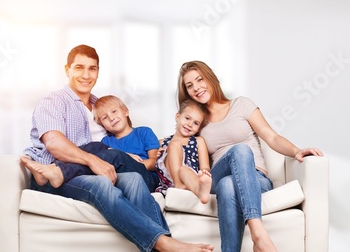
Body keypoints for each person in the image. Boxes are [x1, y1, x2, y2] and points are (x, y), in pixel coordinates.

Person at [22, 45, 214, 252]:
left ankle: (163, 243)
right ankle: (163, 242)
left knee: (133, 179)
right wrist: (94, 160)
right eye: (79, 68)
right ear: (67, 69)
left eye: (92, 69)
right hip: (62, 175)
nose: (86, 75)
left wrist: (163, 145)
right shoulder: (54, 101)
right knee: (103, 181)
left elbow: (127, 137)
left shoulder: (100, 105)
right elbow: (54, 144)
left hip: (102, 169)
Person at [177, 60, 324, 252]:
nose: (196, 88)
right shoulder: (197, 121)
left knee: (228, 184)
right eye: (189, 86)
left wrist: (296, 150)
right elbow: (180, 141)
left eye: (199, 80)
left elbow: (271, 136)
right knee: (239, 152)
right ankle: (259, 235)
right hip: (218, 173)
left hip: (256, 179)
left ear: (210, 78)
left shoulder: (241, 104)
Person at [155, 99, 212, 204]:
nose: (190, 124)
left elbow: (205, 166)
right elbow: (155, 165)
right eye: (187, 118)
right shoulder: (162, 142)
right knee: (175, 144)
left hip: (188, 179)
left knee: (183, 170)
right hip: (170, 180)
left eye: (196, 123)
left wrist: (204, 173)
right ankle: (178, 184)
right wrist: (157, 155)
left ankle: (200, 191)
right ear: (177, 117)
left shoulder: (198, 141)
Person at [93, 95, 160, 172]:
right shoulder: (105, 142)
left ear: (125, 111)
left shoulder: (144, 132)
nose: (111, 118)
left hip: (145, 175)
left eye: (114, 111)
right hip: (120, 179)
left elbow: (155, 163)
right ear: (103, 126)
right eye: (105, 118)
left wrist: (130, 165)